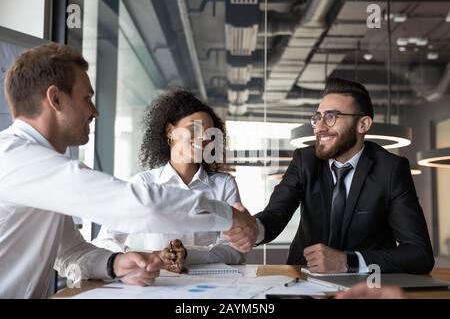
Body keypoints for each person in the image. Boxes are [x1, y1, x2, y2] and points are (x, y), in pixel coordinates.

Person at [0, 43, 253, 298]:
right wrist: (230, 215)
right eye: (87, 97)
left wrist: (115, 264)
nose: (95, 111)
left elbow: (71, 253)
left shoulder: (40, 166)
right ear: (55, 99)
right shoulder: (13, 157)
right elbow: (141, 205)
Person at [225, 77, 434, 274]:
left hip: (365, 286)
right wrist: (255, 228)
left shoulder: (390, 169)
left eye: (331, 117)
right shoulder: (304, 160)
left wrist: (348, 261)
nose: (320, 127)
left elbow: (419, 254)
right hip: (304, 279)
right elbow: (276, 214)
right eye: (317, 118)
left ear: (363, 125)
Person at [93, 89, 245, 271]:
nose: (204, 138)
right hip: (155, 284)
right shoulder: (144, 184)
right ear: (170, 131)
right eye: (194, 128)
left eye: (210, 134)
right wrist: (141, 256)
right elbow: (105, 241)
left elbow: (236, 251)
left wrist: (188, 255)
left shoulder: (223, 184)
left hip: (212, 287)